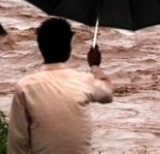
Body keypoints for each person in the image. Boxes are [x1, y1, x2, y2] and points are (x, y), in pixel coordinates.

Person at [7, 18, 114, 154]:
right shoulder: (84, 80)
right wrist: (95, 66)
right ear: (69, 46)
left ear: (40, 47)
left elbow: (17, 142)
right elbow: (107, 93)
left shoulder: (25, 87)